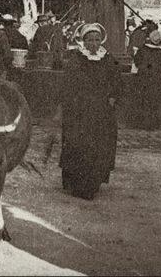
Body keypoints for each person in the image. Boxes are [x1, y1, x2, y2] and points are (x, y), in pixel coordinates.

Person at [59, 22, 122, 200]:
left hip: (101, 111)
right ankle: (78, 184)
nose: (93, 44)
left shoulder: (107, 58)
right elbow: (69, 84)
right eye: (90, 40)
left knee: (98, 146)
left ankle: (93, 182)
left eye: (96, 40)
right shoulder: (77, 59)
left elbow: (116, 80)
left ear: (101, 41)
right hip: (80, 111)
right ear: (84, 41)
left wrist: (113, 96)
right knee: (79, 145)